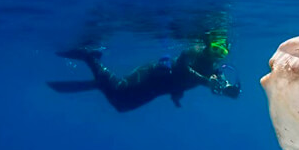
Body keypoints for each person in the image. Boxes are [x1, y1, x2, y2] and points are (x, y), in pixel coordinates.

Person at [47, 31, 240, 112]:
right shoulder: (194, 51)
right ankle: (89, 57)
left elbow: (218, 79)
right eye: (216, 48)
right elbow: (183, 69)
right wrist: (206, 82)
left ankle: (102, 82)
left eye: (223, 51)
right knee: (118, 91)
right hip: (151, 77)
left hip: (157, 90)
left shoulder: (213, 68)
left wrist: (228, 90)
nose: (218, 54)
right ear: (208, 44)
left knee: (121, 106)